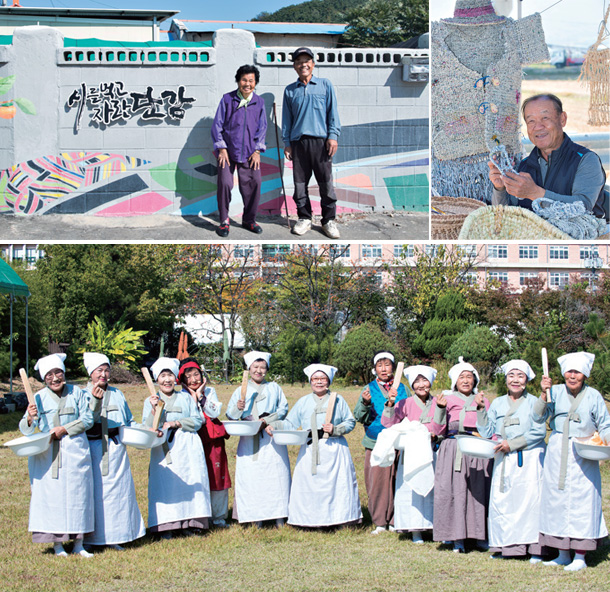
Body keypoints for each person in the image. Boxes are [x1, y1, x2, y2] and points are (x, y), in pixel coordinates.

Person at [534, 352, 610, 572]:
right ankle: (562, 553)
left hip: (585, 451)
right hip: (557, 451)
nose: (573, 376)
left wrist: (606, 442)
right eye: (569, 371)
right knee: (555, 501)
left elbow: (604, 424)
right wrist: (542, 393)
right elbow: (538, 417)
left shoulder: (593, 395)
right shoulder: (554, 391)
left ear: (585, 374)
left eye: (577, 372)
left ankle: (580, 555)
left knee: (582, 503)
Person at [19, 353, 94, 557]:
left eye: (58, 373)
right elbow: (26, 430)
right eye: (50, 375)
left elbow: (87, 419)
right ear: (44, 379)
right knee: (52, 499)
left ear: (64, 373)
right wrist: (30, 418)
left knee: (79, 496)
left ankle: (79, 543)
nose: (55, 378)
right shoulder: (38, 398)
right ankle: (58, 545)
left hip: (75, 452)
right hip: (48, 457)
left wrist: (65, 429)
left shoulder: (77, 393)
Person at [269, 364, 362, 528]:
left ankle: (339, 519)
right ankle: (311, 520)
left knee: (336, 486)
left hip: (334, 448)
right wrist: (275, 426)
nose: (319, 382)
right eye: (315, 379)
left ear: (329, 381)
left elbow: (350, 421)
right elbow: (291, 423)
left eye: (323, 378)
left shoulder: (338, 400)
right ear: (310, 381)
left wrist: (336, 429)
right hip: (310, 448)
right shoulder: (303, 402)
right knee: (310, 484)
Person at [489, 94, 607, 220]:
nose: (538, 127)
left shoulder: (585, 160)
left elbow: (583, 207)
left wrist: (535, 193)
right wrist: (500, 188)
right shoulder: (523, 166)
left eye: (545, 118)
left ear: (562, 119)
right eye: (531, 121)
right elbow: (503, 218)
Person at [475, 360, 546, 562]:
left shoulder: (534, 403)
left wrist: (513, 444)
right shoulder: (497, 403)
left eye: (520, 376)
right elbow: (487, 431)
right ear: (506, 379)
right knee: (504, 504)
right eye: (511, 376)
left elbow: (539, 432)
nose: (515, 380)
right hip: (503, 459)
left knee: (529, 504)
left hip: (528, 459)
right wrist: (481, 409)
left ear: (527, 380)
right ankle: (507, 547)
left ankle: (534, 549)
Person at [83, 353, 146, 551]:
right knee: (97, 492)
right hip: (94, 448)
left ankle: (117, 535)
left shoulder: (117, 393)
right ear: (90, 373)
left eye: (106, 370)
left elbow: (129, 420)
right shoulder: (82, 394)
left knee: (118, 493)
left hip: (116, 447)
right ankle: (92, 538)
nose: (103, 374)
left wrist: (146, 430)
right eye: (99, 370)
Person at [143, 357, 212, 538]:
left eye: (170, 375)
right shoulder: (151, 400)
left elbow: (198, 420)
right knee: (167, 485)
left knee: (189, 482)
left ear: (176, 378)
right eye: (163, 376)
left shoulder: (186, 397)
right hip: (164, 448)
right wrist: (153, 411)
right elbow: (148, 426)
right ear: (157, 379)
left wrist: (176, 423)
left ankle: (190, 523)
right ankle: (167, 526)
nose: (167, 380)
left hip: (188, 447)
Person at [381, 365, 447, 543]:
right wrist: (390, 404)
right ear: (411, 385)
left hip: (432, 451)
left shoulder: (438, 401)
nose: (421, 385)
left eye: (424, 380)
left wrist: (440, 409)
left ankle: (434, 527)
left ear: (430, 382)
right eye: (417, 381)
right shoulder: (406, 403)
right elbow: (388, 423)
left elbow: (441, 428)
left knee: (433, 487)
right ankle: (415, 529)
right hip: (411, 453)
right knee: (411, 489)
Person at [432, 358, 492, 553]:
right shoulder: (445, 400)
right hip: (454, 449)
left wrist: (481, 408)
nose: (466, 381)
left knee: (478, 492)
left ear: (475, 380)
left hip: (478, 449)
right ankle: (456, 537)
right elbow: (438, 429)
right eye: (461, 377)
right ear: (454, 381)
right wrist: (441, 409)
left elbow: (490, 429)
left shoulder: (483, 400)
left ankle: (479, 535)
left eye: (469, 377)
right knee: (455, 492)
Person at [282, 46, 341, 239]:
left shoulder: (325, 85)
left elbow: (333, 113)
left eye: (306, 61)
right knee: (300, 185)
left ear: (313, 64)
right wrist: (287, 142)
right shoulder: (290, 91)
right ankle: (304, 217)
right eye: (299, 62)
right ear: (294, 66)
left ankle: (328, 220)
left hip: (321, 143)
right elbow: (287, 120)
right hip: (298, 144)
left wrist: (333, 136)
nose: (303, 65)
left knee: (326, 184)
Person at [226, 351, 291, 527]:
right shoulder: (241, 390)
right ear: (249, 368)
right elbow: (230, 416)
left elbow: (283, 409)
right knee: (252, 476)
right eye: (255, 367)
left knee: (276, 475)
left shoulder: (274, 388)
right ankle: (255, 516)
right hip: (249, 440)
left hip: (270, 437)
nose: (259, 371)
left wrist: (266, 421)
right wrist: (238, 408)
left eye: (263, 368)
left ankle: (279, 515)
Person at [353, 351, 408, 535]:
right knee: (377, 482)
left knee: (396, 481)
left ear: (393, 367)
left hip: (398, 441)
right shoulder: (368, 388)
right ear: (374, 369)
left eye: (387, 365)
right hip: (376, 441)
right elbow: (359, 416)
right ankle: (379, 521)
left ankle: (395, 520)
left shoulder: (402, 388)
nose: (384, 369)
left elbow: (409, 411)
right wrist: (365, 402)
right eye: (380, 366)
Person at [211, 64, 267, 237]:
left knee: (254, 183)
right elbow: (217, 125)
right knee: (225, 184)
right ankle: (224, 221)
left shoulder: (259, 102)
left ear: (255, 82)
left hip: (250, 152)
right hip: (227, 152)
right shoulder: (227, 99)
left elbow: (262, 127)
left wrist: (257, 150)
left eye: (251, 80)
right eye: (244, 80)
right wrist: (221, 148)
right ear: (238, 81)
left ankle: (249, 220)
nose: (247, 84)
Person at [178, 357, 231, 529]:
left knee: (217, 476)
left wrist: (201, 396)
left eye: (196, 374)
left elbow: (214, 412)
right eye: (189, 376)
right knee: (197, 476)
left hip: (213, 439)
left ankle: (218, 516)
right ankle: (199, 515)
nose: (194, 380)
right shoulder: (181, 396)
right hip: (193, 439)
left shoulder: (210, 391)